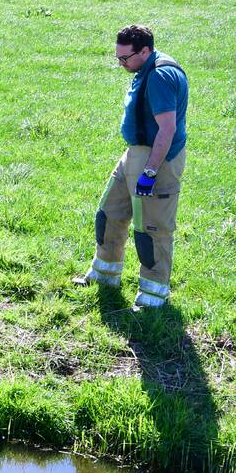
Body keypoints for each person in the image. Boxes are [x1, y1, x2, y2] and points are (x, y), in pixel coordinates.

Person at [73, 25, 188, 310]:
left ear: (145, 50)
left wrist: (149, 173)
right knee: (109, 212)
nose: (122, 64)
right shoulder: (144, 68)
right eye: (118, 58)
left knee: (152, 227)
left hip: (156, 160)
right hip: (135, 153)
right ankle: (104, 274)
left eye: (126, 58)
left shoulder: (160, 75)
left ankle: (152, 296)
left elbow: (167, 129)